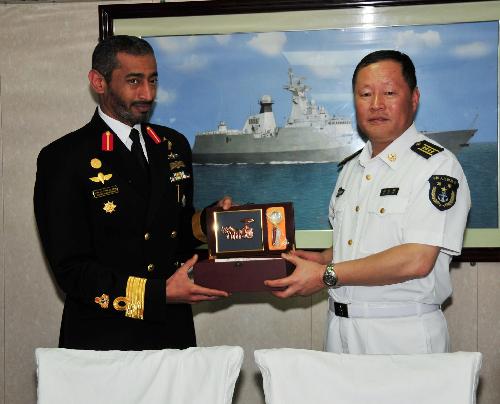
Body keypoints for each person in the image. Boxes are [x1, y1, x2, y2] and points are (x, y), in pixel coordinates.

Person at [265, 50, 470, 354]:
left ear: (413, 99)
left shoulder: (436, 166)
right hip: (341, 333)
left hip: (403, 338)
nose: (376, 105)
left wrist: (326, 274)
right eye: (365, 94)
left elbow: (417, 258)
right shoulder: (351, 169)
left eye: (389, 92)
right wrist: (321, 260)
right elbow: (358, 244)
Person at [34, 35, 232, 350]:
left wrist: (211, 221)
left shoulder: (172, 145)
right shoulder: (64, 158)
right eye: (134, 81)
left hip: (171, 333)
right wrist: (156, 296)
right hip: (104, 337)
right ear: (98, 82)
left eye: (153, 80)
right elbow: (72, 270)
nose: (148, 94)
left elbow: (174, 232)